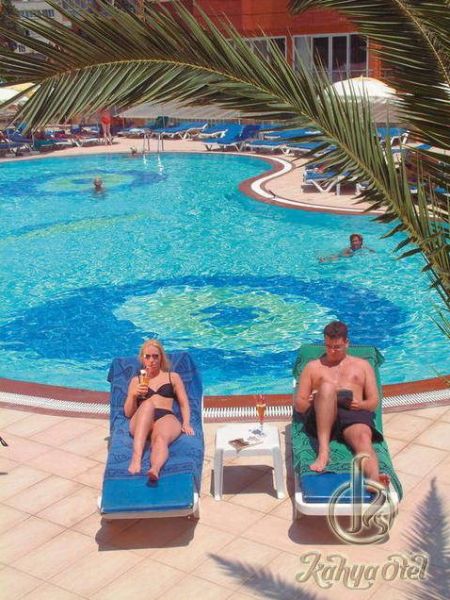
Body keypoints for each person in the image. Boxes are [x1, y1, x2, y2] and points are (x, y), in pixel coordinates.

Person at [294, 321, 389, 487]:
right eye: (328, 346)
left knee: (363, 438)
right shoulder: (312, 367)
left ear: (347, 343)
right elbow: (299, 404)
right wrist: (313, 401)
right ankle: (324, 451)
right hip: (320, 415)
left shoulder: (363, 366)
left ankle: (374, 480)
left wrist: (360, 405)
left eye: (337, 347)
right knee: (327, 387)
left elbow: (374, 401)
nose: (331, 351)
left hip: (352, 413)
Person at [124, 339, 194, 480]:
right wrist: (133, 395)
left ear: (161, 357)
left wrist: (186, 422)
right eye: (148, 356)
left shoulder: (172, 377)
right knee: (148, 405)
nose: (152, 360)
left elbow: (184, 404)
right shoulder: (136, 381)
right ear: (142, 358)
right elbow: (128, 413)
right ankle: (136, 458)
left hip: (165, 417)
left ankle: (155, 469)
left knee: (161, 439)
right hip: (142, 418)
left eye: (155, 356)